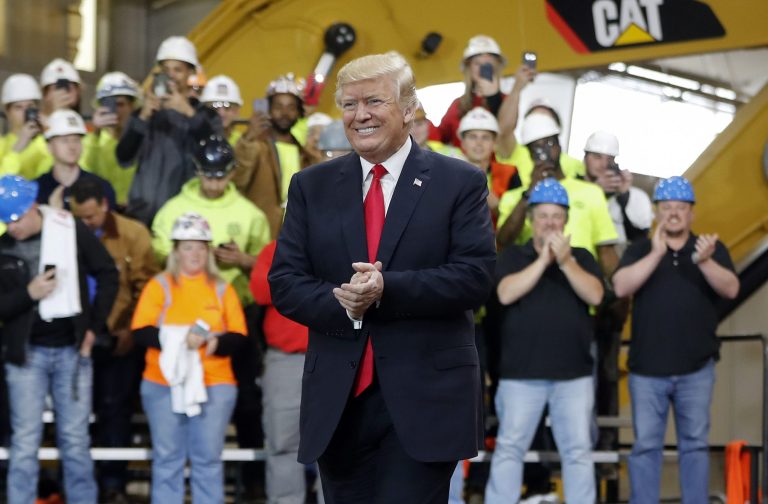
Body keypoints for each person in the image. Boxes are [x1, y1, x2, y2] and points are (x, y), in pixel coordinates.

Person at [268, 51, 496, 503]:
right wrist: (346, 301)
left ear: (409, 109)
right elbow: (286, 282)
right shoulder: (310, 186)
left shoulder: (459, 182)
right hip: (339, 404)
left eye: (374, 101)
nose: (361, 115)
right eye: (349, 104)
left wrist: (387, 289)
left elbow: (474, 276)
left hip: (425, 400)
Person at [613, 176, 739, 504]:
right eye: (666, 207)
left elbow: (731, 289)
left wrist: (705, 261)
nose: (673, 213)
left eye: (680, 207)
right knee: (645, 447)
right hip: (647, 371)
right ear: (657, 212)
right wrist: (656, 254)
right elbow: (620, 287)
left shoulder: (710, 248)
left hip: (696, 370)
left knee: (695, 445)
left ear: (691, 213)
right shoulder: (641, 249)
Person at [0, 175, 118, 504]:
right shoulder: (4, 248)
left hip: (72, 350)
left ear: (33, 207)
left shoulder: (70, 229)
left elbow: (108, 273)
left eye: (16, 219)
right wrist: (29, 293)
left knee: (75, 442)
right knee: (24, 442)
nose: (12, 228)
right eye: (6, 222)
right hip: (26, 355)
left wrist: (94, 328)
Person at [484, 178, 603, 504]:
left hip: (574, 376)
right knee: (509, 448)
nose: (550, 222)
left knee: (577, 451)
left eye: (556, 216)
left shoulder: (581, 257)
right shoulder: (513, 256)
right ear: (531, 219)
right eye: (543, 216)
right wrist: (543, 261)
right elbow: (505, 294)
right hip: (520, 376)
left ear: (566, 219)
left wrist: (565, 262)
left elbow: (595, 295)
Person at [131, 212, 248, 503]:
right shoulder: (160, 285)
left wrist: (213, 343)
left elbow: (238, 336)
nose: (195, 254)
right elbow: (140, 331)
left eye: (200, 247)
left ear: (208, 252)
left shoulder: (221, 288)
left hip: (214, 384)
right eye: (187, 247)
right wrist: (179, 338)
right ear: (176, 251)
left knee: (207, 459)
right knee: (167, 458)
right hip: (163, 384)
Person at [69, 177, 158, 503]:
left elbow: (147, 287)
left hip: (118, 334)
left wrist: (132, 329)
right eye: (79, 216)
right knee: (76, 413)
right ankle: (76, 485)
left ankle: (112, 484)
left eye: (91, 216)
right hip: (74, 336)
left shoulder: (133, 233)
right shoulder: (65, 232)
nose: (86, 222)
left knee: (115, 409)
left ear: (105, 205)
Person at [116, 35, 222, 225]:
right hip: (143, 216)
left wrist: (188, 112)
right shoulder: (142, 114)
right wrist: (143, 117)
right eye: (165, 70)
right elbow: (123, 158)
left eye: (177, 70)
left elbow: (216, 154)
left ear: (190, 72)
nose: (171, 75)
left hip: (188, 219)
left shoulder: (207, 116)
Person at [496, 113, 618, 275]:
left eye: (550, 143)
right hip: (531, 279)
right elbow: (503, 242)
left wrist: (618, 286)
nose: (545, 151)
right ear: (529, 153)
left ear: (559, 146)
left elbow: (606, 251)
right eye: (537, 147)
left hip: (580, 279)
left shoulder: (591, 192)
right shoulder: (513, 198)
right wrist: (530, 193)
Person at [233, 73, 318, 238]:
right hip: (259, 236)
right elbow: (237, 180)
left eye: (291, 107)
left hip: (296, 237)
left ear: (299, 112)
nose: (284, 113)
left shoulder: (307, 156)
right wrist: (248, 138)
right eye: (278, 107)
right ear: (268, 110)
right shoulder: (255, 147)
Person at [431, 35, 507, 147]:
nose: (482, 68)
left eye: (488, 64)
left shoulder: (507, 101)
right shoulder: (457, 105)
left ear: (496, 67)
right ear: (469, 68)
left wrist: (494, 98)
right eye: (477, 63)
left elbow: (506, 132)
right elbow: (439, 137)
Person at [583, 131, 652, 251]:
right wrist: (595, 191)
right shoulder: (573, 189)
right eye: (597, 157)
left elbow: (640, 240)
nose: (604, 164)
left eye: (609, 159)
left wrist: (624, 196)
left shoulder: (637, 197)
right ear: (585, 158)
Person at [35, 109, 117, 210]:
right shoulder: (37, 189)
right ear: (49, 147)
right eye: (64, 141)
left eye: (76, 140)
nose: (72, 146)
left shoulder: (101, 187)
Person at [81, 71, 142, 208]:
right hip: (103, 211)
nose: (116, 111)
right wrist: (95, 132)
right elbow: (84, 173)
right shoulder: (91, 142)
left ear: (132, 106)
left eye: (120, 104)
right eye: (109, 105)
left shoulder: (143, 140)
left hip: (137, 211)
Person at [497, 97, 587, 185]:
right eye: (533, 119)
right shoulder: (514, 152)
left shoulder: (574, 164)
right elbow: (504, 130)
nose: (539, 123)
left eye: (545, 118)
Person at [457, 107, 521, 222]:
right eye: (473, 137)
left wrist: (497, 207)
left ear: (494, 143)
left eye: (485, 137)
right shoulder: (451, 173)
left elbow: (518, 220)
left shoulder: (509, 174)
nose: (479, 143)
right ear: (463, 142)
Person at [0, 73, 47, 180]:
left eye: (30, 106)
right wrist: (17, 149)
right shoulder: (1, 145)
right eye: (18, 107)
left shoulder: (47, 142)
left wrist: (50, 132)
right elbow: (2, 183)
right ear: (7, 112)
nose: (25, 112)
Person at [200, 74, 245, 147]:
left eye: (228, 107)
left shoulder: (244, 143)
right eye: (215, 107)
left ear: (237, 111)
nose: (221, 113)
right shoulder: (195, 140)